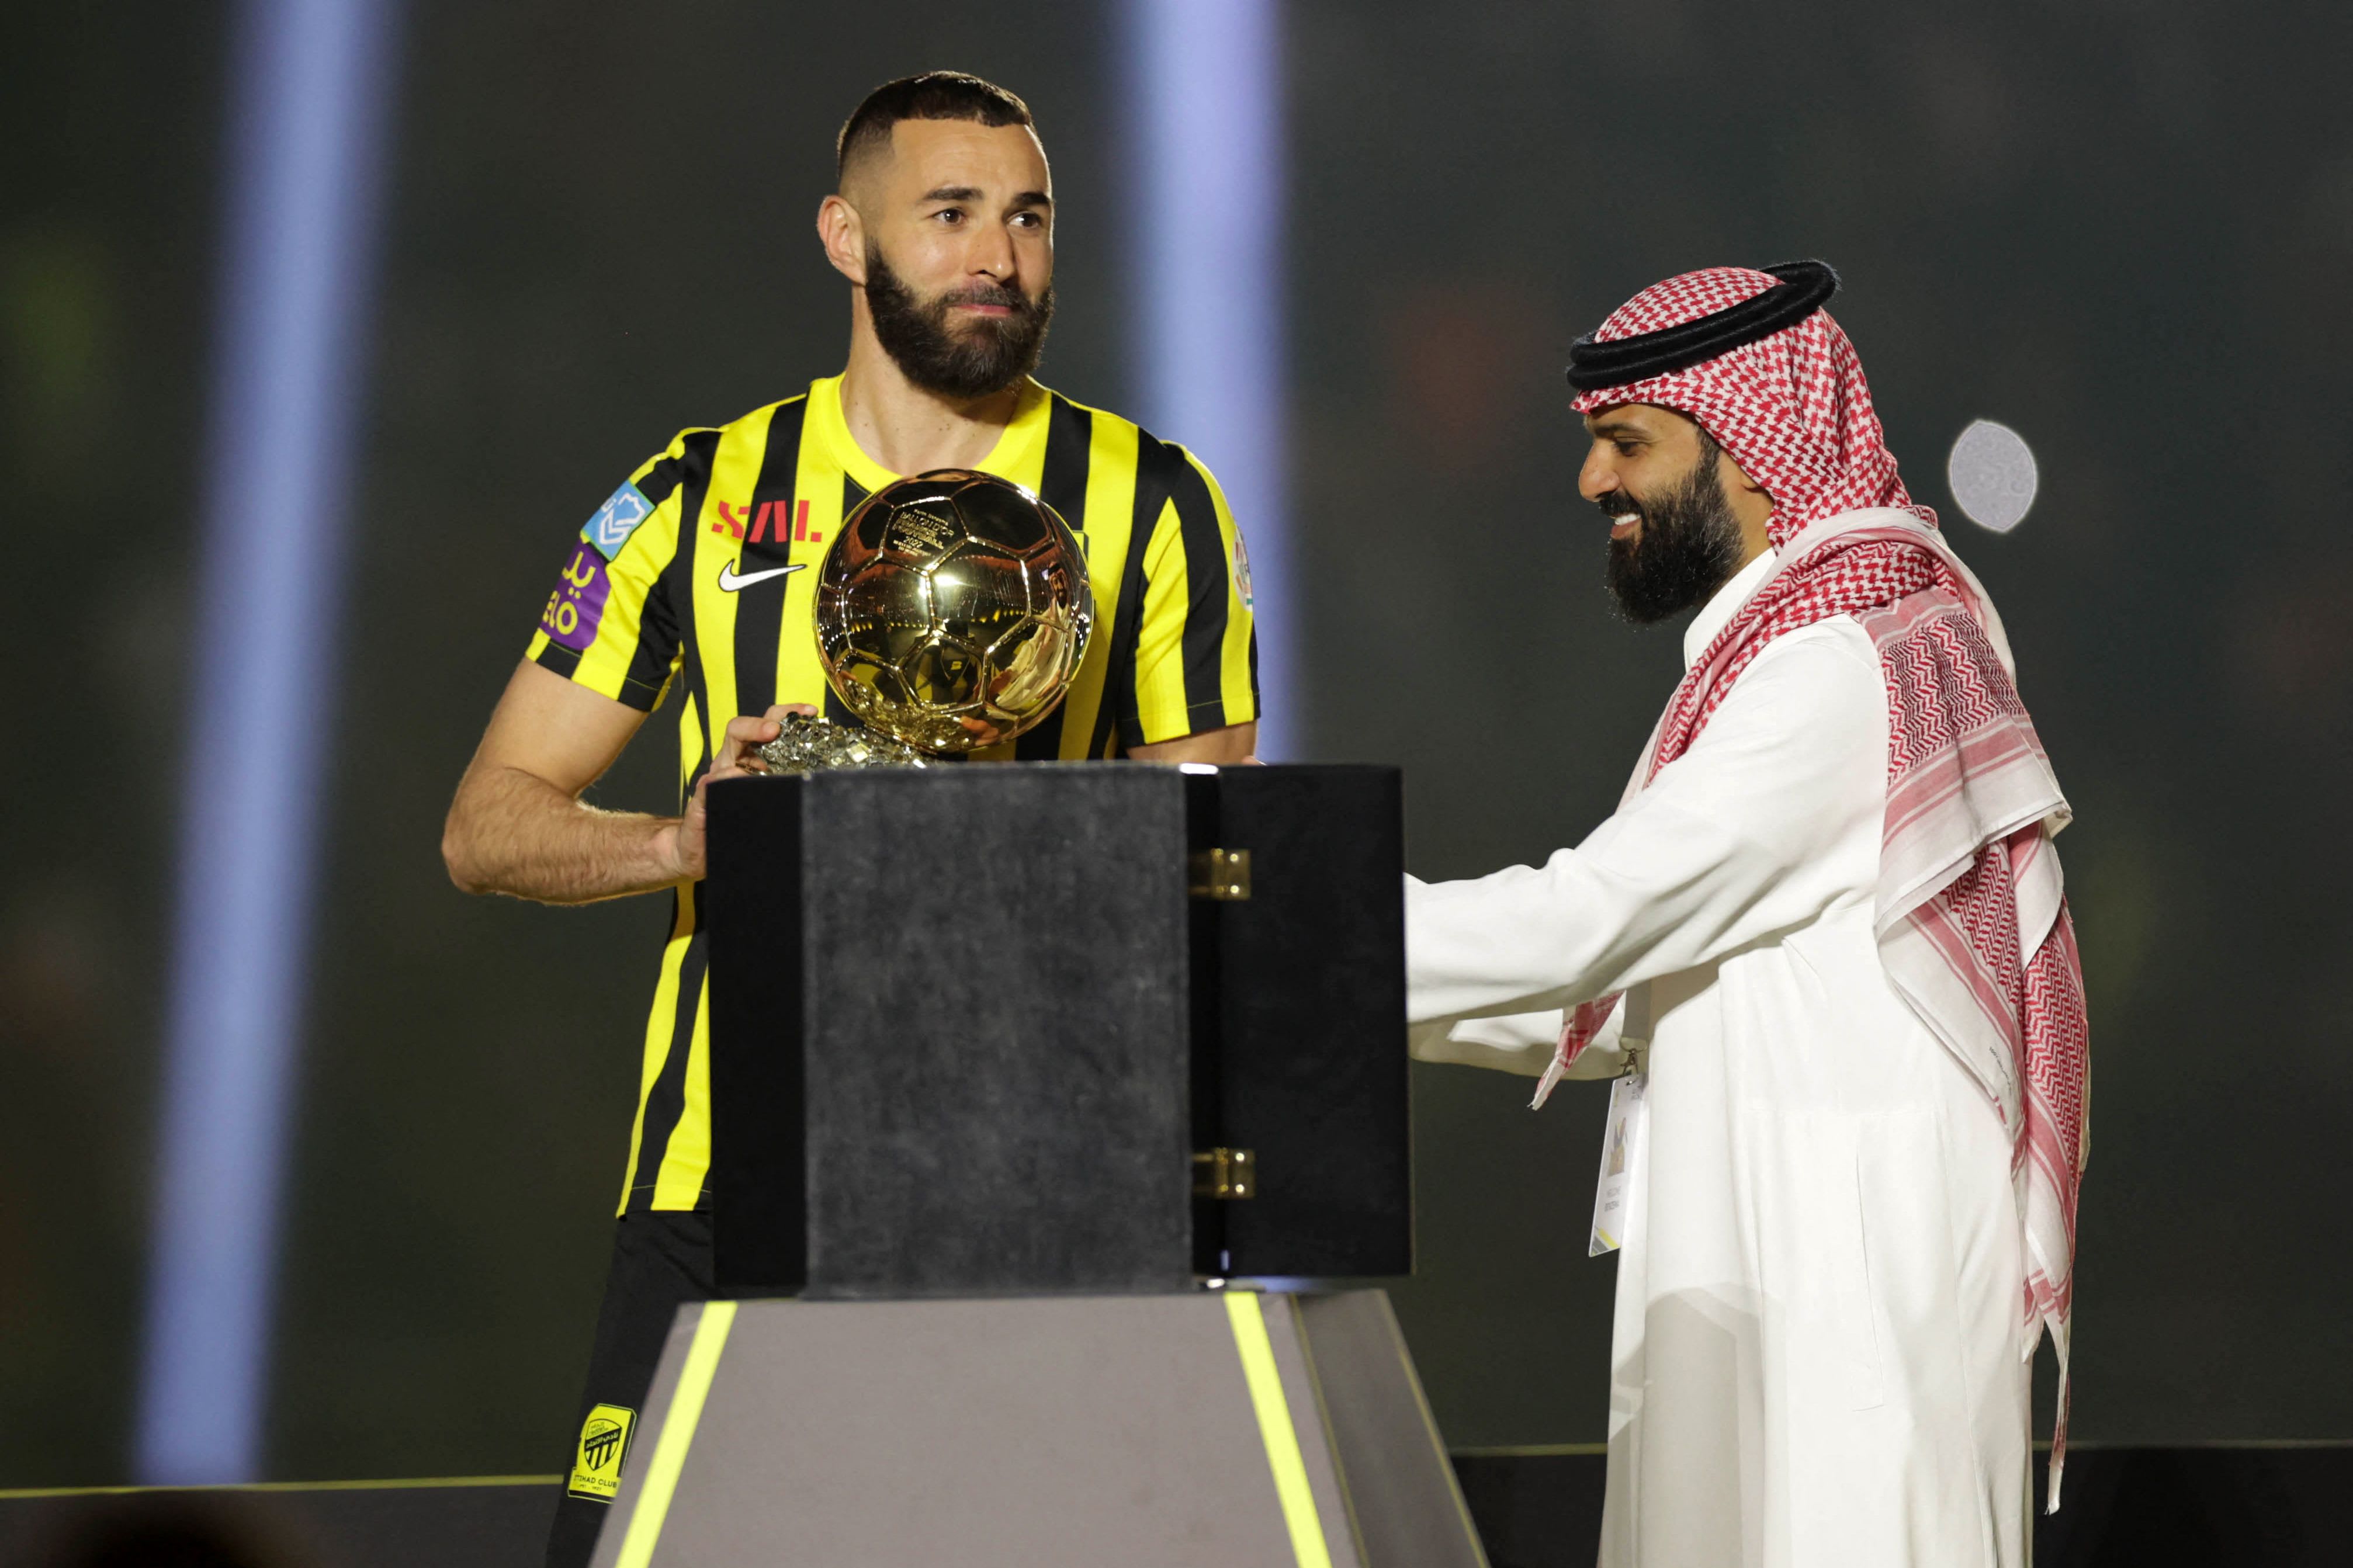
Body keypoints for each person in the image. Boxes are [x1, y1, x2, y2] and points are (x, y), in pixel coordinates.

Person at [438, 71, 1259, 1567]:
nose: (998, 257)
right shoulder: (696, 492)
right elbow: (487, 823)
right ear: (844, 235)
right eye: (949, 214)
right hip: (721, 1177)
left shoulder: (1156, 502)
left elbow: (1199, 867)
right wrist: (681, 845)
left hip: (1042, 1182)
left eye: (1029, 218)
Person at [1404, 262, 2087, 1566]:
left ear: (1757, 452)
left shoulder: (1840, 670)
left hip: (1845, 1332)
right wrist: (1299, 990)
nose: (1592, 480)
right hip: (1784, 1295)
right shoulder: (1804, 653)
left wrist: (1278, 915)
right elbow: (1614, 1006)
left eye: (1628, 443)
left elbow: (1583, 930)